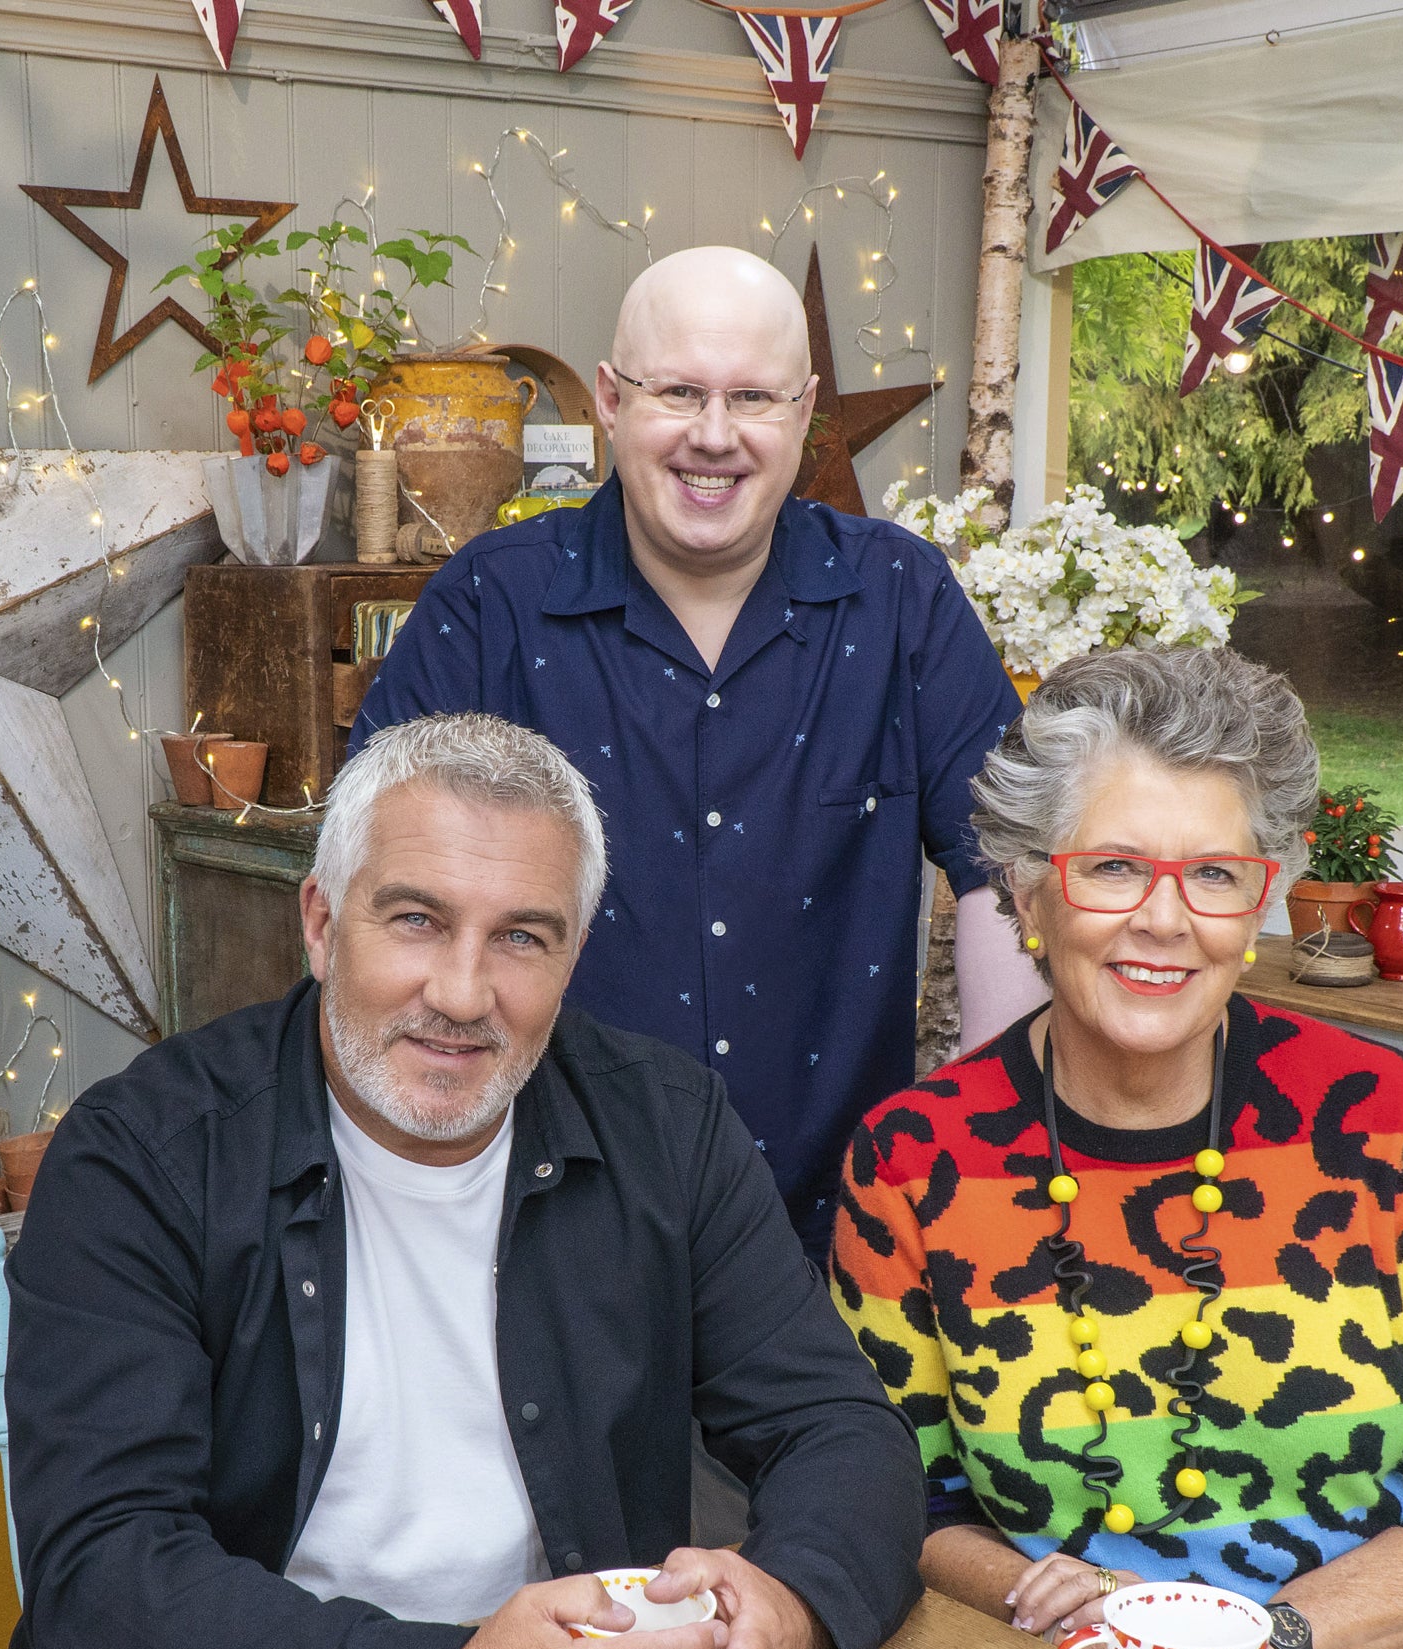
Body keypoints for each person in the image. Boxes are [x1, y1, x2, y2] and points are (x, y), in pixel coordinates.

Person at [0, 713, 922, 1649]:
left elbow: (843, 1430)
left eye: (522, 936)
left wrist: (793, 1609)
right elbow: (103, 1579)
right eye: (417, 919)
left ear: (572, 956)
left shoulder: (666, 1126)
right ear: (322, 923)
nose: (464, 995)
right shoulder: (145, 1153)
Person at [830, 645, 1403, 1649]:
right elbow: (890, 1491)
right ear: (1028, 893)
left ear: (1264, 896)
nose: (1165, 919)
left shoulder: (1378, 1119)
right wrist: (1060, 1603)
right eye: (1114, 866)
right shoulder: (915, 1158)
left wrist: (1265, 1639)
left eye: (1215, 874)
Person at [350, 245, 1029, 1266]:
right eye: (679, 392)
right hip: (538, 1228)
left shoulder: (903, 601)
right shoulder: (492, 604)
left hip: (840, 1232)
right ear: (615, 401)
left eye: (751, 397)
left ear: (804, 414)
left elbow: (1008, 871)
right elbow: (375, 887)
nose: (714, 437)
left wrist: (986, 1151)